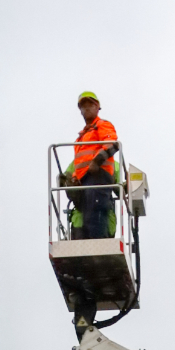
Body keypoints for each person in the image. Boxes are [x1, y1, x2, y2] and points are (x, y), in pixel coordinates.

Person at [67, 91, 119, 242]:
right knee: (87, 216)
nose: (87, 108)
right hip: (86, 180)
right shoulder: (81, 138)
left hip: (99, 177)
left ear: (98, 107)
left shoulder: (102, 125)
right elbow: (80, 165)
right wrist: (75, 179)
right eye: (84, 105)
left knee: (96, 214)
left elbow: (112, 144)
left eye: (91, 104)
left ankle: (98, 244)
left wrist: (97, 162)